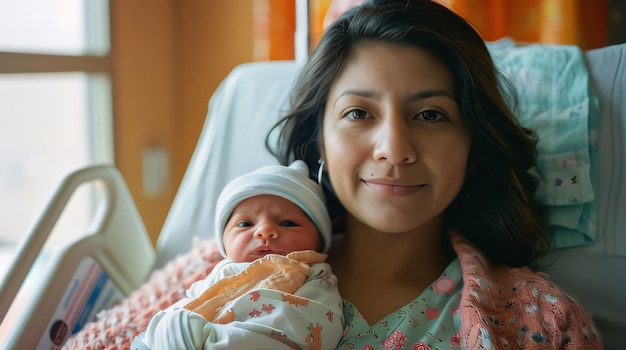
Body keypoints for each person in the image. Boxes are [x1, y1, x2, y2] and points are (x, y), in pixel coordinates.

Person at [266, 0, 604, 348]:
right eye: (358, 113)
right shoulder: (230, 279)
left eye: (430, 115)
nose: (395, 150)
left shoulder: (546, 324)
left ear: (474, 143)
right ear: (317, 140)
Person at [131, 160, 344, 349]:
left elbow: (315, 327)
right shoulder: (218, 273)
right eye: (245, 224)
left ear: (319, 241)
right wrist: (164, 333)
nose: (264, 231)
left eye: (288, 223)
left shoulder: (315, 278)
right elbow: (185, 307)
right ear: (223, 240)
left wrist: (198, 338)